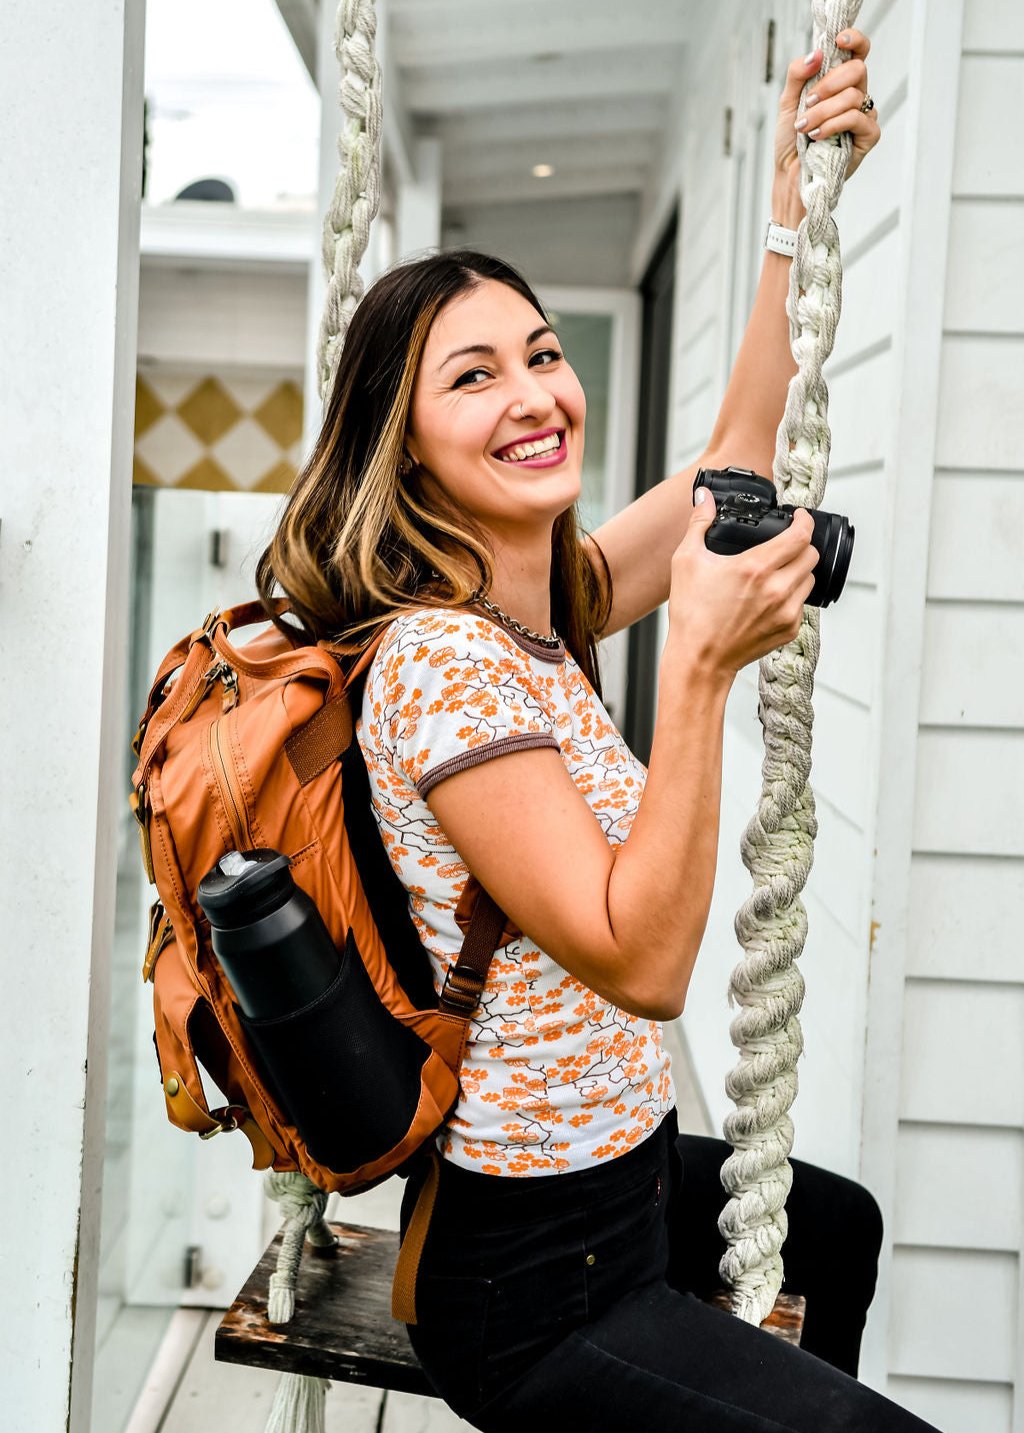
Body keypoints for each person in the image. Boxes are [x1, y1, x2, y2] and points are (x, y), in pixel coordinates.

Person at [259, 27, 940, 1433]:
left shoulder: (542, 612)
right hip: (529, 1280)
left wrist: (789, 221)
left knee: (839, 1227)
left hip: (619, 1190)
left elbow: (725, 468)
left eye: (545, 353)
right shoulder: (443, 667)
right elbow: (639, 957)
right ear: (407, 441)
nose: (536, 395)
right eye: (473, 377)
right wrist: (693, 667)